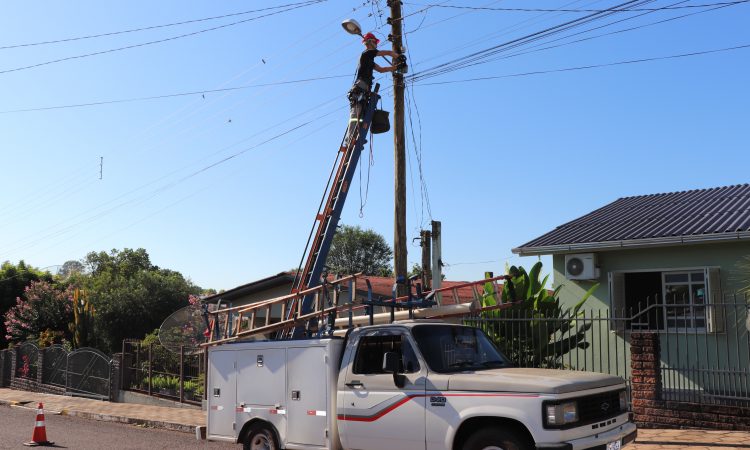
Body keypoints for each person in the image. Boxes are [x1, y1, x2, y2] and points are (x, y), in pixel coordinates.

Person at [346, 32, 406, 144]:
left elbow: (382, 69)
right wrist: (399, 57)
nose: (376, 45)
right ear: (369, 42)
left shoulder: (369, 60)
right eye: (375, 42)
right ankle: (350, 139)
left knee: (362, 115)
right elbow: (388, 52)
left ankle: (356, 138)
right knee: (356, 114)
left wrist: (396, 67)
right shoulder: (367, 53)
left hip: (365, 89)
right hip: (360, 86)